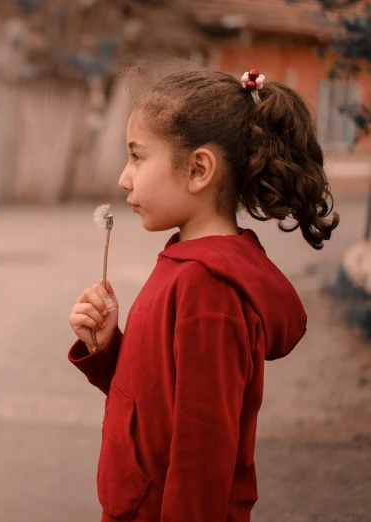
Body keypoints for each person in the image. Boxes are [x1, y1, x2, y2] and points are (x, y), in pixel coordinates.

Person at [67, 62, 340, 522]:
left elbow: (202, 459)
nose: (123, 177)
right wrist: (110, 349)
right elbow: (158, 402)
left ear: (198, 169)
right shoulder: (185, 264)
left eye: (137, 157)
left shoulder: (208, 289)